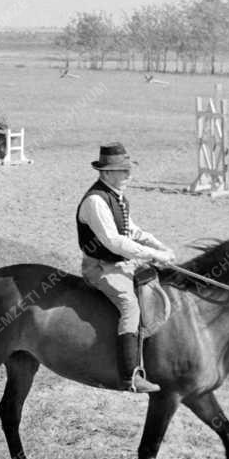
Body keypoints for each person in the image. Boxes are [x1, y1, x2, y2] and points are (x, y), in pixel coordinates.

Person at [76, 142, 176, 393]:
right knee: (130, 305)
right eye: (123, 171)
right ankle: (130, 375)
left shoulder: (117, 198)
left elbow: (133, 231)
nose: (129, 175)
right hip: (100, 267)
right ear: (106, 172)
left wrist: (160, 247)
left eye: (128, 170)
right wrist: (154, 254)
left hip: (119, 261)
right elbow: (115, 242)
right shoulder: (96, 201)